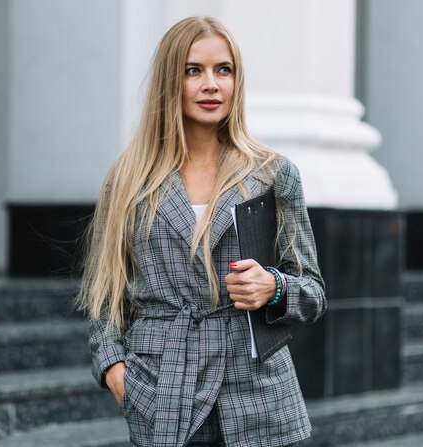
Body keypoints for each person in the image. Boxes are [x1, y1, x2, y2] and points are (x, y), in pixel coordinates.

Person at [78, 16, 326, 447]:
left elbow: (314, 292)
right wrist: (114, 368)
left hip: (258, 393)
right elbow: (105, 295)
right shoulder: (128, 181)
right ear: (169, 81)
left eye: (223, 70)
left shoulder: (271, 174)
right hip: (164, 386)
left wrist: (275, 287)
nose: (211, 84)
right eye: (194, 70)